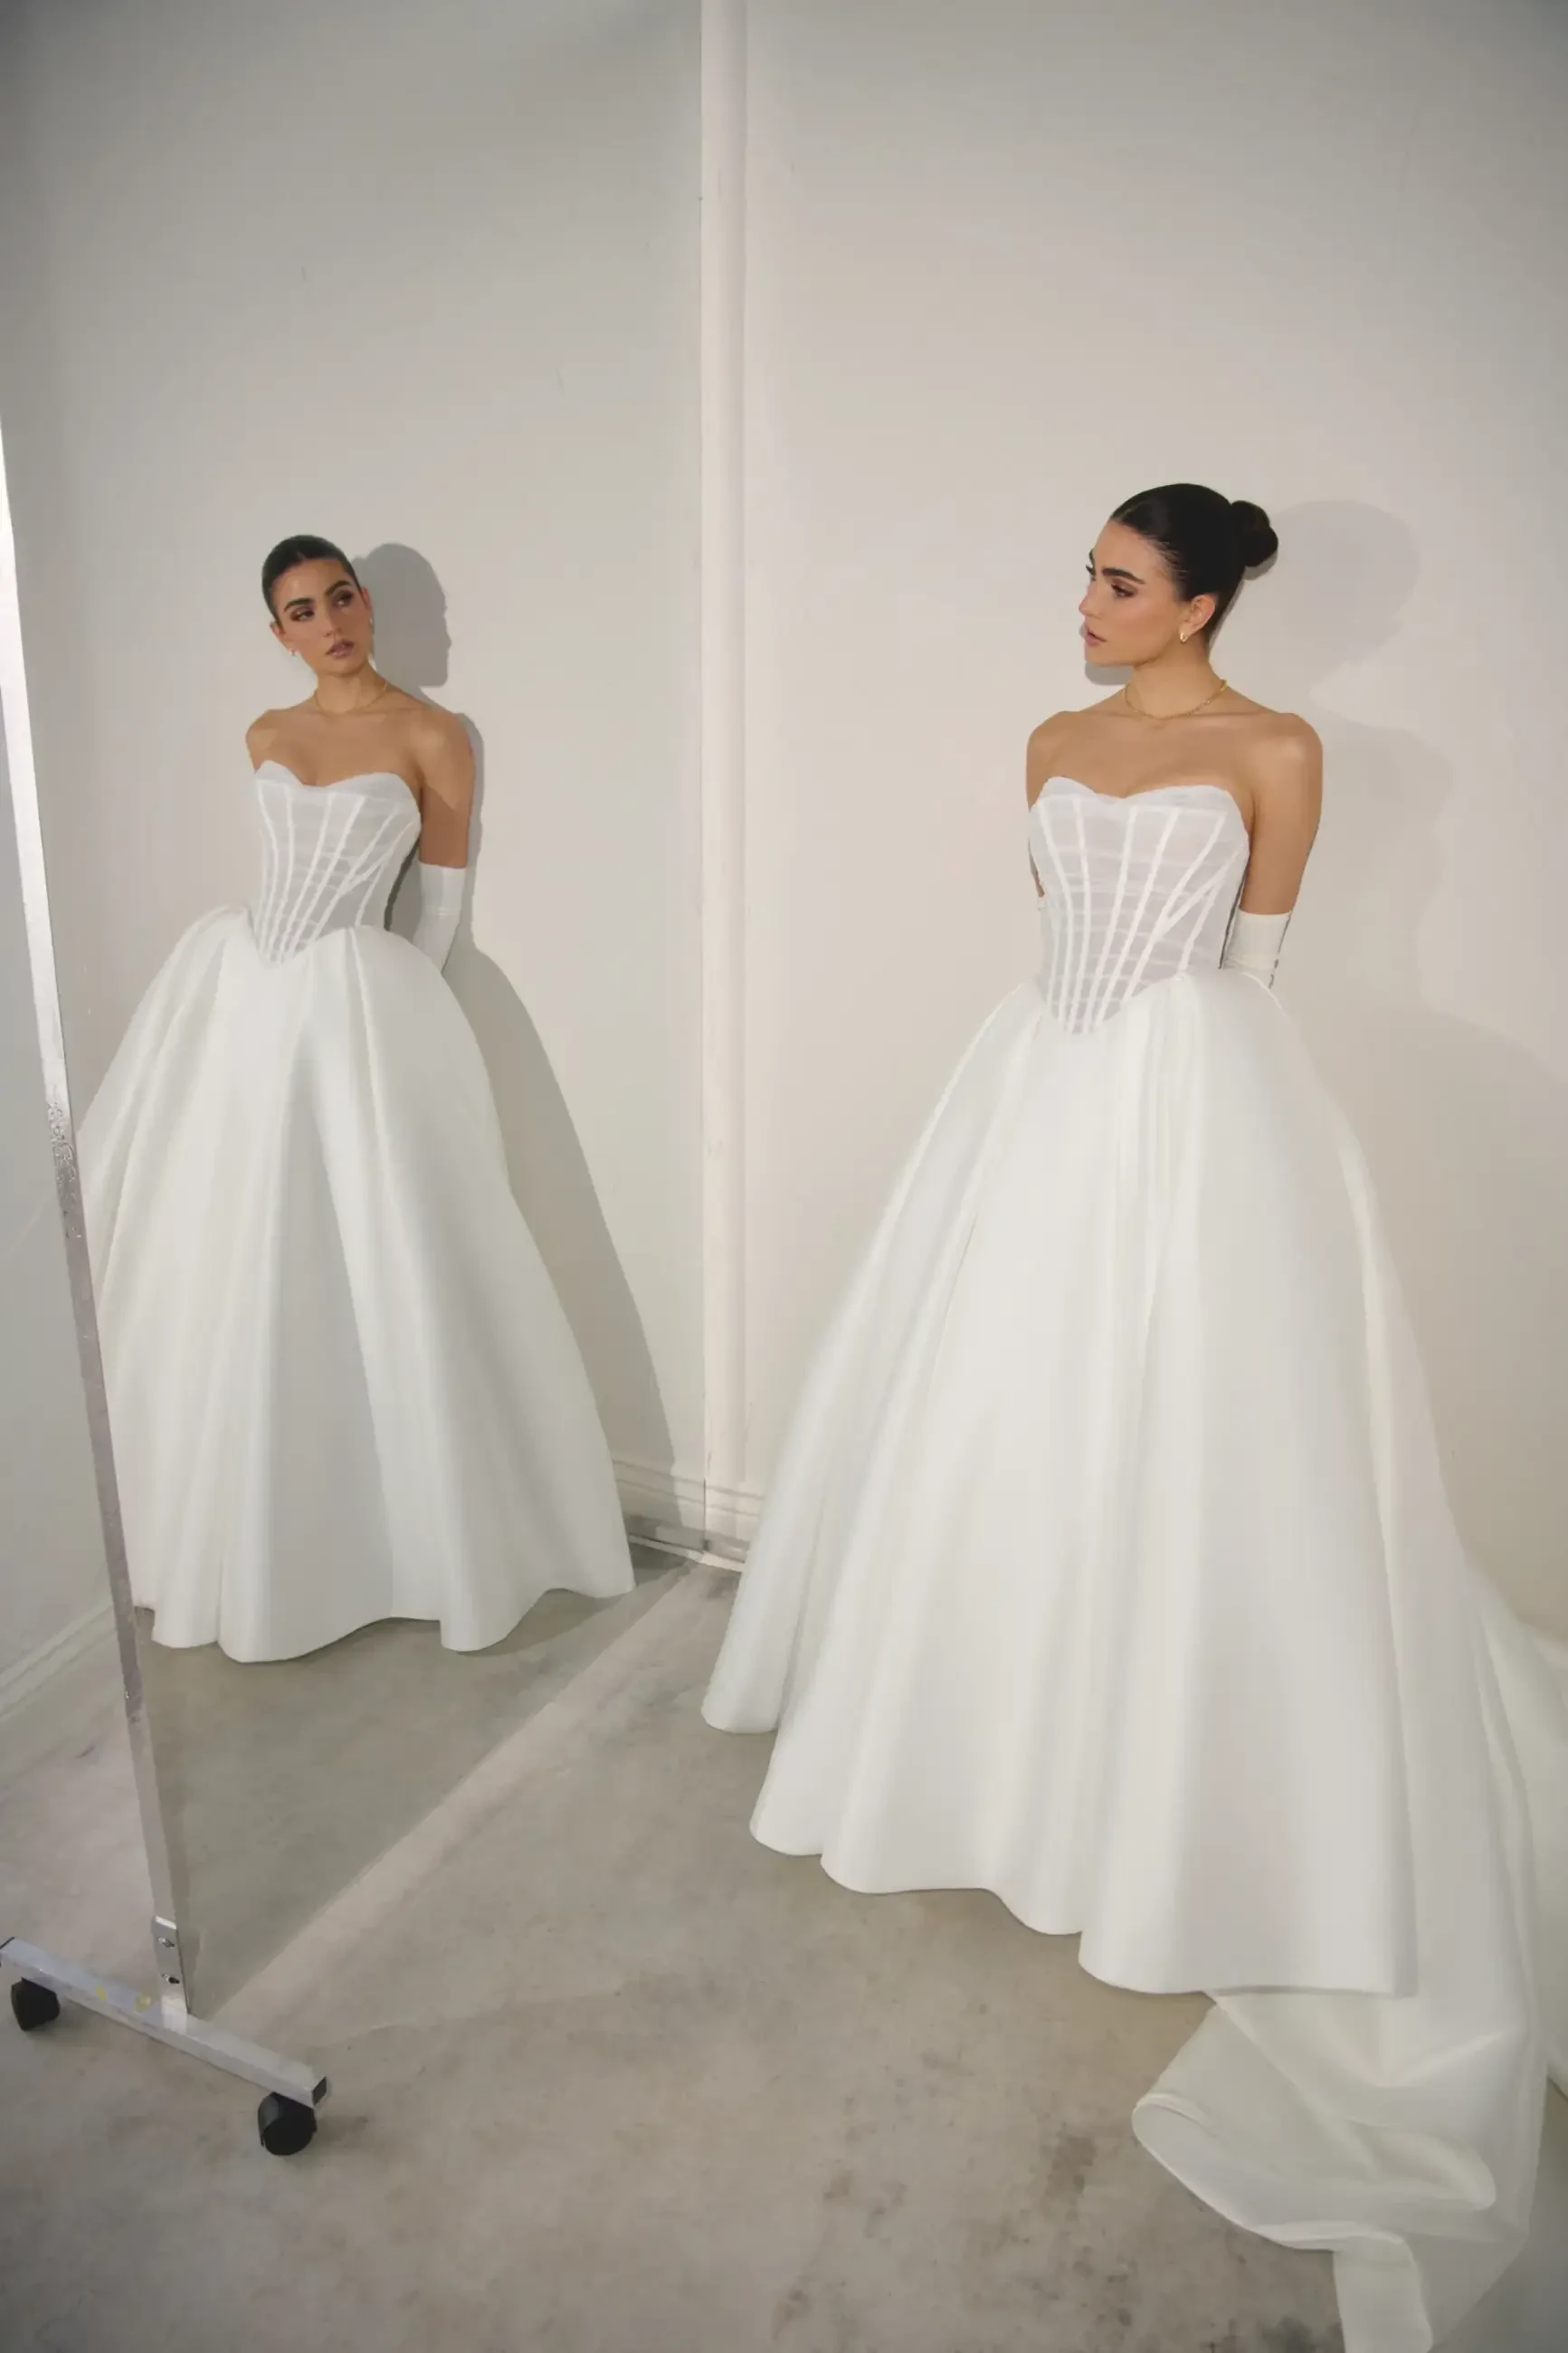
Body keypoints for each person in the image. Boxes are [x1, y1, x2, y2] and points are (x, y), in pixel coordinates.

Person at [702, 486, 1568, 2353]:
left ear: (1192, 605)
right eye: (1084, 579)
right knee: (995, 1437)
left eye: (1112, 583)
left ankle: (1158, 1788)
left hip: (1194, 1114)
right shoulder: (1048, 740)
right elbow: (1054, 934)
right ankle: (988, 1749)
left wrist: (1194, 1133)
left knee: (1192, 1464)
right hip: (1030, 1090)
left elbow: (1250, 967)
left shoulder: (1275, 744)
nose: (1081, 606)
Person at [80, 536, 633, 1662]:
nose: (328, 621)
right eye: (300, 610)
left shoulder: (434, 735)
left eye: (340, 598)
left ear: (366, 605)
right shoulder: (267, 735)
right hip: (237, 991)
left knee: (349, 1253)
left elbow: (437, 908)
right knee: (215, 1238)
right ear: (276, 631)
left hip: (348, 1003)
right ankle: (186, 1516)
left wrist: (389, 1027)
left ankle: (374, 1533)